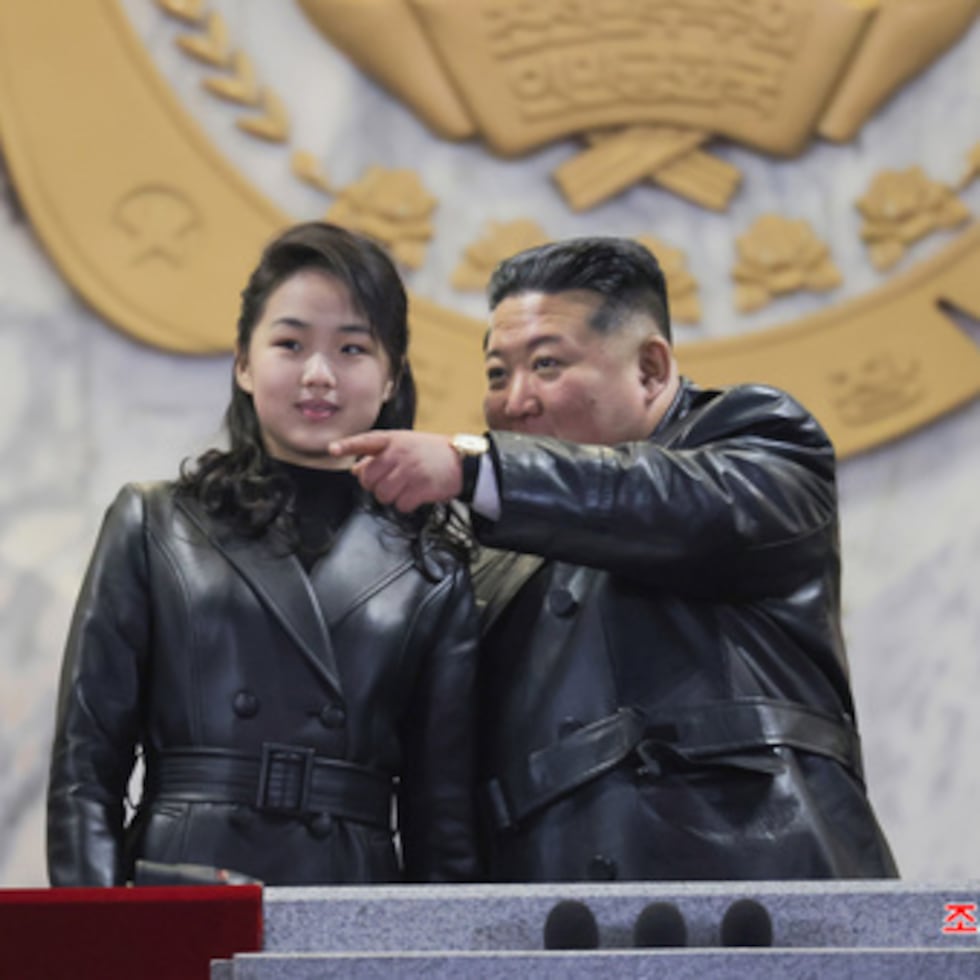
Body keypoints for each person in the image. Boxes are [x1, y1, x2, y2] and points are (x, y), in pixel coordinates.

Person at [331, 236, 898, 882]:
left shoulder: (757, 439)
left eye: (546, 365)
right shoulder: (490, 549)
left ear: (652, 369)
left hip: (761, 889)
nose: (515, 400)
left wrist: (476, 467)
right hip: (553, 919)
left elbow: (672, 504)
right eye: (497, 373)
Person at [47, 221, 480, 887]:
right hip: (184, 881)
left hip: (348, 896)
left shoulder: (434, 566)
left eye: (352, 348)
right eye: (290, 343)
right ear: (245, 364)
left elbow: (440, 816)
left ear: (392, 375)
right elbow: (85, 770)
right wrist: (96, 939)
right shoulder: (157, 521)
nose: (318, 374)